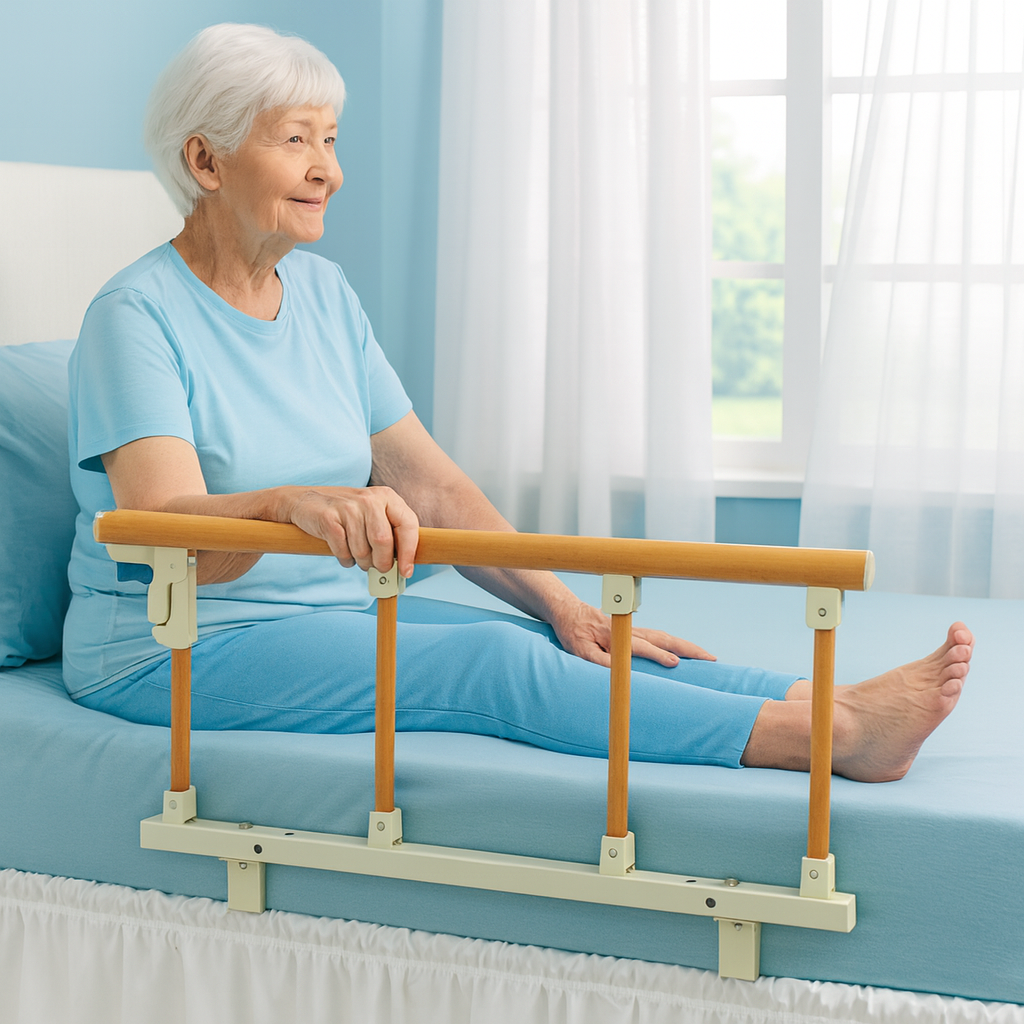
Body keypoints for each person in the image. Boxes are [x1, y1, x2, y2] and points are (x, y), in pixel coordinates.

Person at [64, 24, 972, 783]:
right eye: (295, 139)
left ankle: (815, 696)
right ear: (204, 160)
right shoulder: (135, 316)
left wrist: (562, 606)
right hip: (169, 646)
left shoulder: (327, 297)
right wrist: (288, 501)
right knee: (488, 665)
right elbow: (162, 534)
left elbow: (438, 493)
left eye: (331, 140)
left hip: (329, 616)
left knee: (549, 639)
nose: (327, 169)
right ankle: (823, 742)